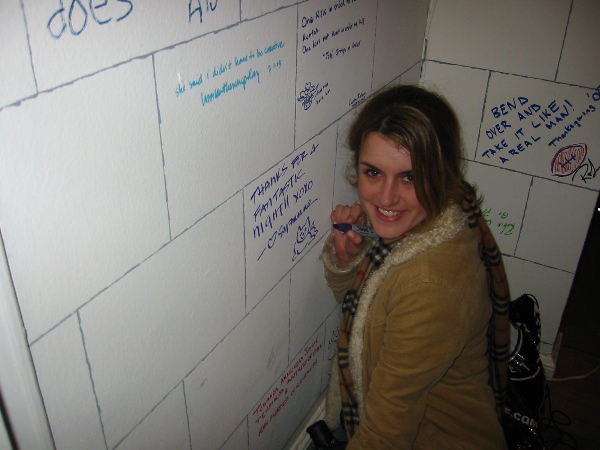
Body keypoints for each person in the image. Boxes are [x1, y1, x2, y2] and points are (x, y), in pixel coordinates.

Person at [322, 85, 510, 448]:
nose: (386, 197)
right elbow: (370, 313)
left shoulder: (430, 285)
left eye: (409, 177)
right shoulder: (428, 225)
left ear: (440, 174)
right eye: (373, 172)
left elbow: (385, 435)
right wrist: (347, 261)